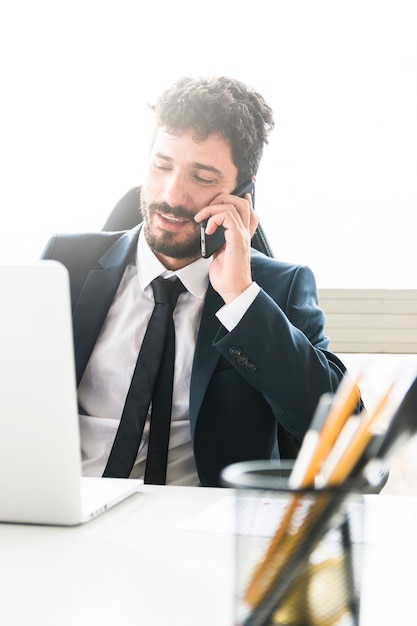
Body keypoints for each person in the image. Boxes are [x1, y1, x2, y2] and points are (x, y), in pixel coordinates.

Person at [41, 75, 359, 487]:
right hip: (67, 512)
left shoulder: (278, 289)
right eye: (162, 166)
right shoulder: (65, 266)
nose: (172, 195)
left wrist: (241, 298)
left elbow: (344, 440)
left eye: (202, 178)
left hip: (200, 535)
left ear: (244, 195)